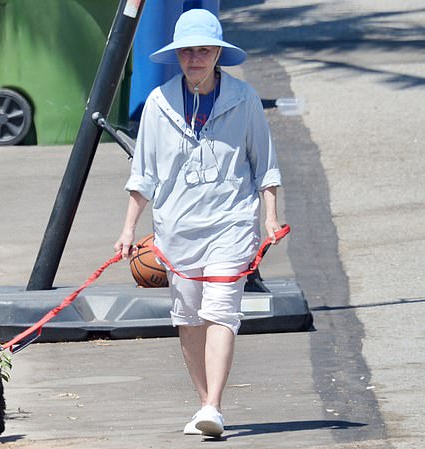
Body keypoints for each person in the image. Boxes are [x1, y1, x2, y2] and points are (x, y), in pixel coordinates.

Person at [114, 9, 282, 437]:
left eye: (204, 50)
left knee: (221, 311)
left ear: (218, 53)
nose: (195, 59)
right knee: (188, 319)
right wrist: (128, 229)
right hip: (177, 227)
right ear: (177, 55)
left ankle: (213, 406)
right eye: (187, 51)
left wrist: (271, 218)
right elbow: (144, 175)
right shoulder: (159, 104)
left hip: (231, 222)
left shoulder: (244, 100)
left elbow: (265, 165)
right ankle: (203, 404)